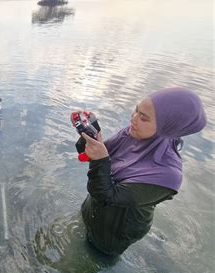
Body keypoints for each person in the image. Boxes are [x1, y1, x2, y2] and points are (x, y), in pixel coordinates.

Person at [77, 87, 206, 256]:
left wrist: (100, 159)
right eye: (136, 110)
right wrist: (91, 135)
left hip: (115, 232)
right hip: (93, 209)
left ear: (168, 127)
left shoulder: (168, 174)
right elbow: (88, 155)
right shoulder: (132, 134)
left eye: (143, 118)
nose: (133, 119)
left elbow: (107, 196)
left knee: (96, 259)